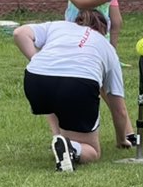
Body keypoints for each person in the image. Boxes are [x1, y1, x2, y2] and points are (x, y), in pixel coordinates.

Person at [13, 9, 134, 172]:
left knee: (53, 99)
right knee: (92, 150)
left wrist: (37, 60)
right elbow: (119, 109)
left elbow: (19, 33)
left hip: (35, 79)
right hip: (78, 85)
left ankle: (60, 140)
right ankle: (71, 148)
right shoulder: (107, 47)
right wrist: (122, 140)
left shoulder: (58, 26)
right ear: (103, 30)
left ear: (77, 21)